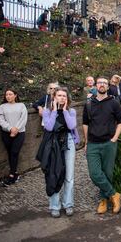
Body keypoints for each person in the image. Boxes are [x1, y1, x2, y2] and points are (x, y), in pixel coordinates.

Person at [83, 77, 121, 214]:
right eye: (99, 83)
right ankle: (114, 194)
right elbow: (85, 123)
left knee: (107, 173)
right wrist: (86, 142)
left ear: (108, 86)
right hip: (93, 143)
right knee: (95, 173)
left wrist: (115, 138)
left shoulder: (114, 103)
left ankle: (103, 200)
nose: (102, 85)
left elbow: (120, 121)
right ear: (95, 85)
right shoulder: (89, 103)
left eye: (104, 83)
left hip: (109, 143)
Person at [42, 87, 79, 218]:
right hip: (53, 144)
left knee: (69, 176)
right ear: (54, 97)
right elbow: (49, 127)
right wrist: (54, 112)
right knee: (54, 174)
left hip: (68, 142)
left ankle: (68, 204)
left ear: (67, 98)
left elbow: (71, 126)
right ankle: (54, 206)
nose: (62, 98)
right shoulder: (47, 111)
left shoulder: (71, 111)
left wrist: (64, 111)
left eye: (64, 95)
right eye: (59, 95)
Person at [0, 89, 28, 186]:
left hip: (20, 133)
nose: (8, 96)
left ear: (15, 95)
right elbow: (0, 119)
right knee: (10, 153)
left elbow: (24, 118)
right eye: (7, 94)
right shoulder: (2, 107)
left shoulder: (21, 105)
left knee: (14, 152)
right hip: (6, 134)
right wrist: (10, 128)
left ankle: (11, 175)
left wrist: (16, 129)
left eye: (10, 94)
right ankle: (15, 173)